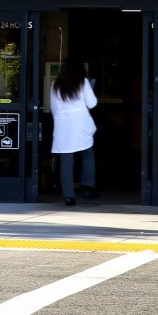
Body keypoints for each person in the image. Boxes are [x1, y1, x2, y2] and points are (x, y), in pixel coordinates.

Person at [49, 58, 97, 206]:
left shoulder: (55, 85)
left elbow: (53, 108)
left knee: (66, 161)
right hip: (80, 125)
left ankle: (68, 196)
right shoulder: (83, 82)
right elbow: (92, 103)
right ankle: (89, 187)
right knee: (88, 154)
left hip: (63, 127)